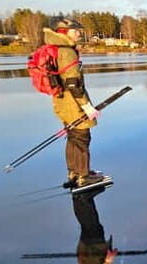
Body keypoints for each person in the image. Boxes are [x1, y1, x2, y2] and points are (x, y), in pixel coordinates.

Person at [44, 18, 104, 188]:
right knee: (81, 137)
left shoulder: (54, 49)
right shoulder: (67, 52)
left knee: (72, 137)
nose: (79, 33)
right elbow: (73, 83)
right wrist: (86, 106)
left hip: (61, 100)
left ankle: (74, 172)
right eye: (75, 30)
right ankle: (84, 176)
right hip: (73, 103)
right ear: (63, 32)